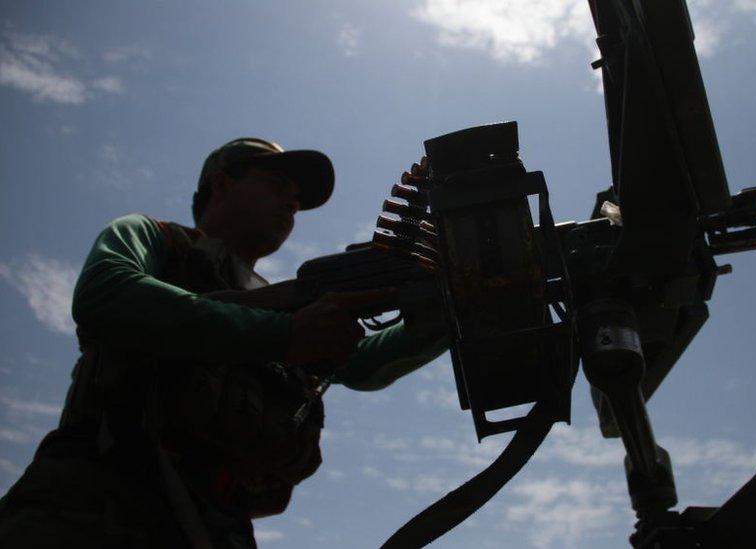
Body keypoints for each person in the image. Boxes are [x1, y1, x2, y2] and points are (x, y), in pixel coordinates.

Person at [0, 137, 446, 548]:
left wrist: (445, 315)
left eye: (298, 199)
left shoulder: (287, 299)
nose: (292, 203)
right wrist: (282, 333)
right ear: (220, 183)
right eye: (276, 183)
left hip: (213, 527)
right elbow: (107, 292)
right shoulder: (154, 238)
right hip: (88, 511)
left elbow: (357, 363)